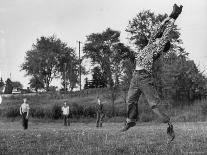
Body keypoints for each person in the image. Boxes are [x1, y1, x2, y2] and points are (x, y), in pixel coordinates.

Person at [121, 4, 183, 142]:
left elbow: (165, 32)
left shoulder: (158, 47)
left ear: (162, 43)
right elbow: (157, 29)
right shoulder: (150, 44)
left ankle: (169, 125)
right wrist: (169, 16)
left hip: (144, 78)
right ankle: (130, 120)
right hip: (135, 77)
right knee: (130, 100)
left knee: (154, 104)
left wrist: (174, 18)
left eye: (159, 38)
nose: (157, 37)